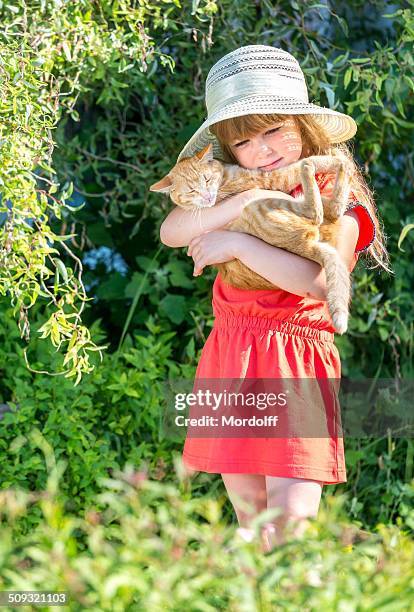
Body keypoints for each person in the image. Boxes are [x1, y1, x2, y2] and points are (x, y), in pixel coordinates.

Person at [159, 45, 390, 552]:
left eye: (274, 130)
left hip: (294, 360)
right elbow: (172, 229)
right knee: (251, 522)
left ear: (304, 126)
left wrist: (238, 242)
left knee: (289, 527)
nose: (263, 150)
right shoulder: (234, 188)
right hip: (232, 353)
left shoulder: (337, 198)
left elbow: (321, 284)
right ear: (229, 152)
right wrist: (244, 201)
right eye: (244, 141)